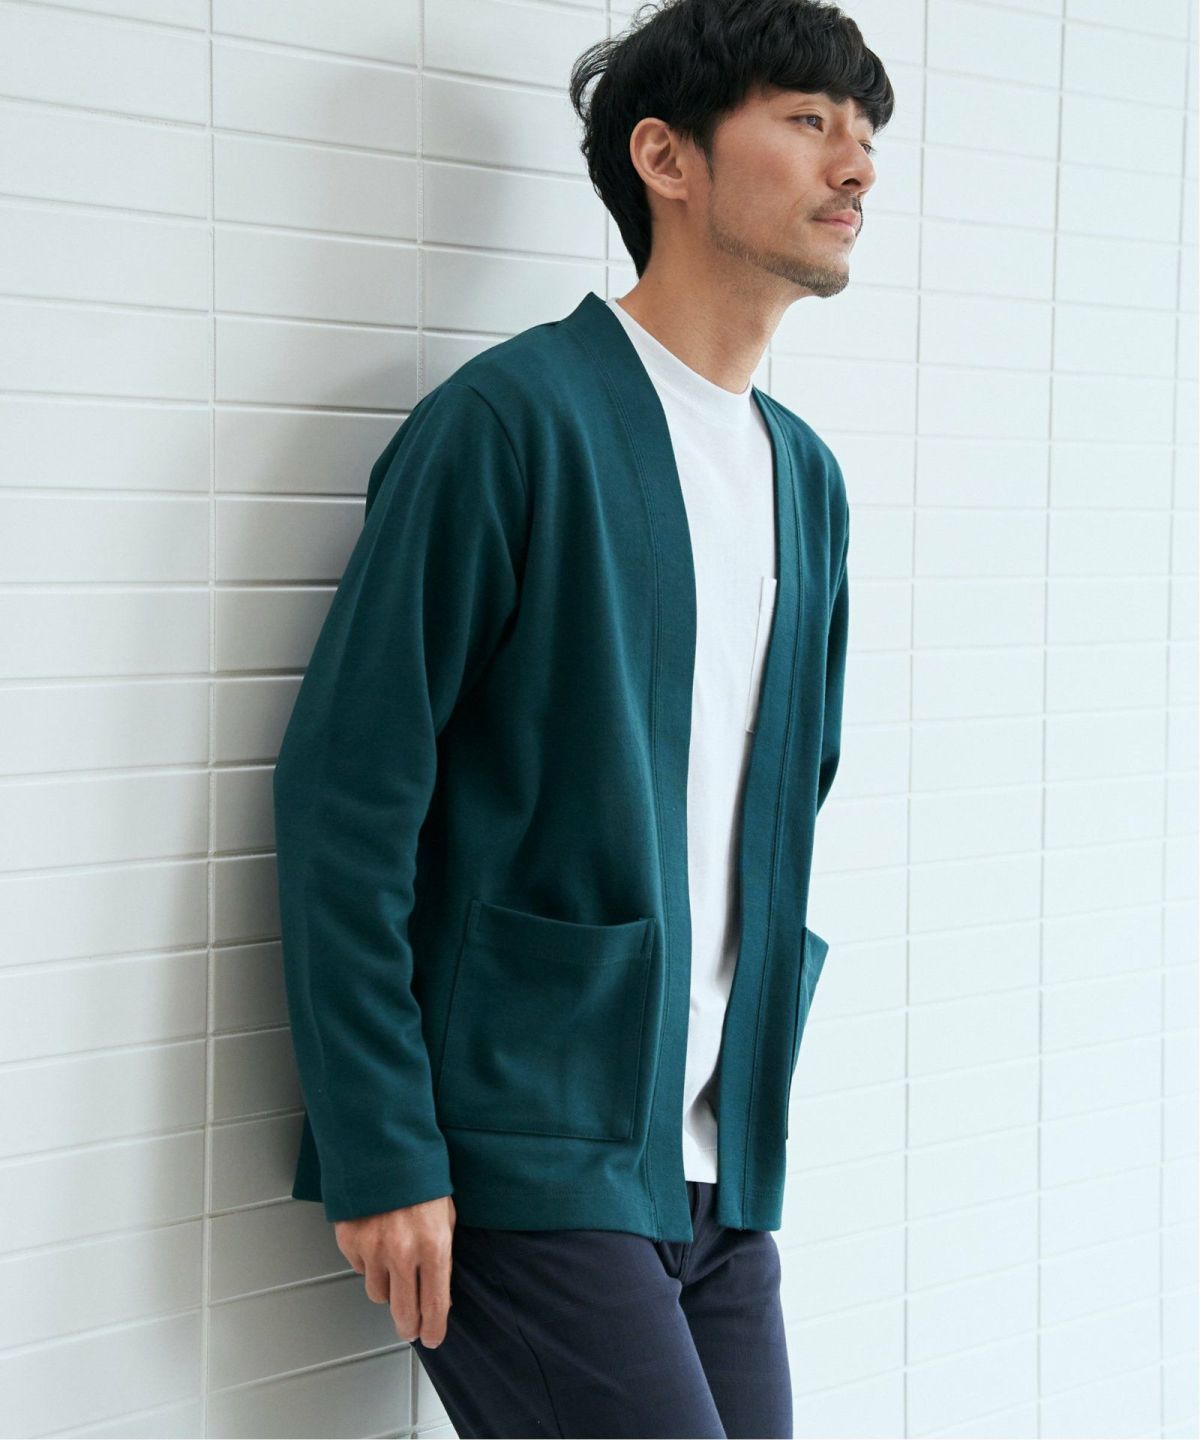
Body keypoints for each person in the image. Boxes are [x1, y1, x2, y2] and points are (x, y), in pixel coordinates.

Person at [272, 0, 893, 1434]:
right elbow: (347, 800)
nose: (856, 165)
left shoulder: (805, 479)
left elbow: (783, 800)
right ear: (665, 159)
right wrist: (381, 1147)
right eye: (809, 121)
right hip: (522, 1150)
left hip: (715, 1169)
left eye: (865, 136)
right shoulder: (511, 424)